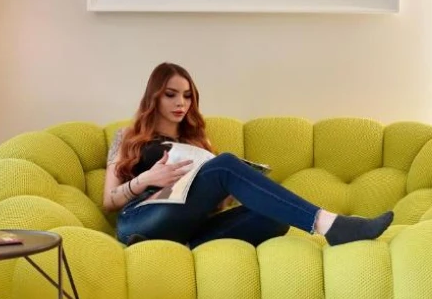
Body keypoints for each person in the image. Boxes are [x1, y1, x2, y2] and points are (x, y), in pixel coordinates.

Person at [104, 63, 394, 248]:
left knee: (274, 217)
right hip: (140, 221)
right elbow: (109, 201)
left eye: (187, 95)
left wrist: (221, 199)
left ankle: (187, 248)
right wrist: (145, 179)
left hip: (185, 227)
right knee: (226, 165)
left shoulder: (196, 141)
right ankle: (330, 224)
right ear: (153, 96)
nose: (181, 102)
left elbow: (205, 207)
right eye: (171, 94)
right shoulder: (127, 137)